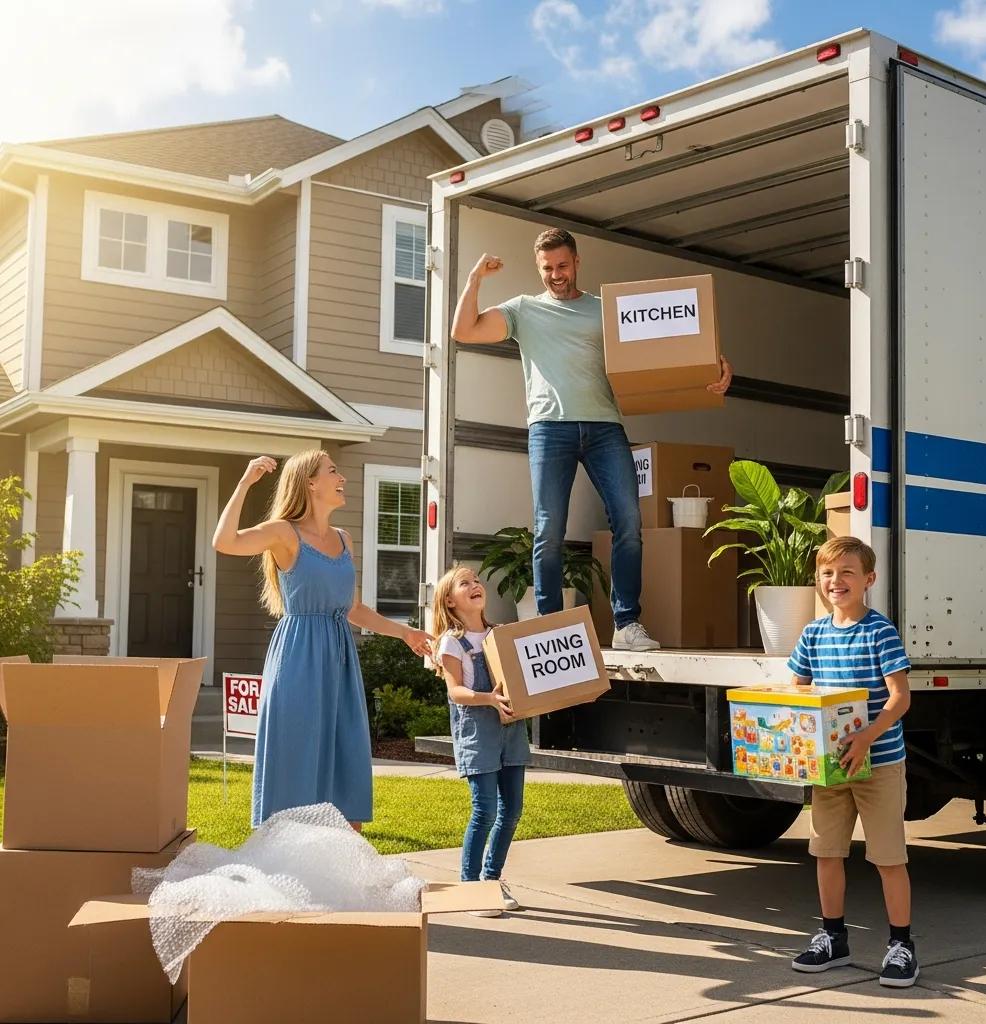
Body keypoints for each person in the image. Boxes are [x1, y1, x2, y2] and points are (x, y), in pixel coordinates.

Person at [450, 227, 732, 652]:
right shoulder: (523, 310)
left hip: (603, 427)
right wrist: (475, 279)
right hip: (550, 428)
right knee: (549, 528)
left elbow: (672, 345)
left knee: (629, 522)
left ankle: (626, 624)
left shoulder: (607, 312)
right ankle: (547, 624)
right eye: (547, 268)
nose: (556, 274)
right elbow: (464, 331)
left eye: (563, 265)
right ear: (538, 268)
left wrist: (713, 364)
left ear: (577, 262)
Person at [213, 450, 433, 832]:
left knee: (345, 756)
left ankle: (342, 865)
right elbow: (225, 541)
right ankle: (286, 858)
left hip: (340, 661)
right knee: (296, 756)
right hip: (298, 659)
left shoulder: (345, 540)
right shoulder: (284, 532)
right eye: (333, 471)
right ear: (310, 483)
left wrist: (405, 633)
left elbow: (353, 609)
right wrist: (245, 482)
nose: (341, 477)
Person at [789, 536, 918, 987]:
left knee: (888, 858)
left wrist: (865, 737)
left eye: (846, 572)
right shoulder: (813, 633)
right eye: (827, 573)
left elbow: (900, 698)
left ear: (869, 579)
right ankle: (833, 937)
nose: (835, 581)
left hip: (878, 762)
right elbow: (799, 692)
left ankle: (901, 944)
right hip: (831, 767)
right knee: (826, 853)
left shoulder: (879, 630)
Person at [432, 566, 529, 916]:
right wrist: (489, 699)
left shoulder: (500, 634)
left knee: (512, 811)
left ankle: (492, 880)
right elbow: (455, 691)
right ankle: (470, 886)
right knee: (485, 809)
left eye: (476, 581)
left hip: (512, 728)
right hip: (478, 729)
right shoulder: (451, 642)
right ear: (449, 600)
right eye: (465, 583)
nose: (475, 586)